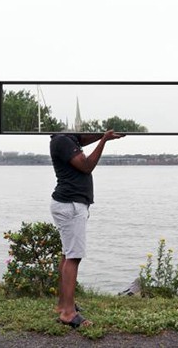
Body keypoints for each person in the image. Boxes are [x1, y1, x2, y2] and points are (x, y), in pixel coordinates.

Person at [50, 131, 122, 328]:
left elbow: (82, 139)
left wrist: (104, 135)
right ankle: (68, 313)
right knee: (74, 256)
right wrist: (104, 140)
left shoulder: (67, 138)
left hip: (68, 204)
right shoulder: (63, 140)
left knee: (67, 254)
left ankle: (64, 304)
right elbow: (87, 165)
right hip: (71, 205)